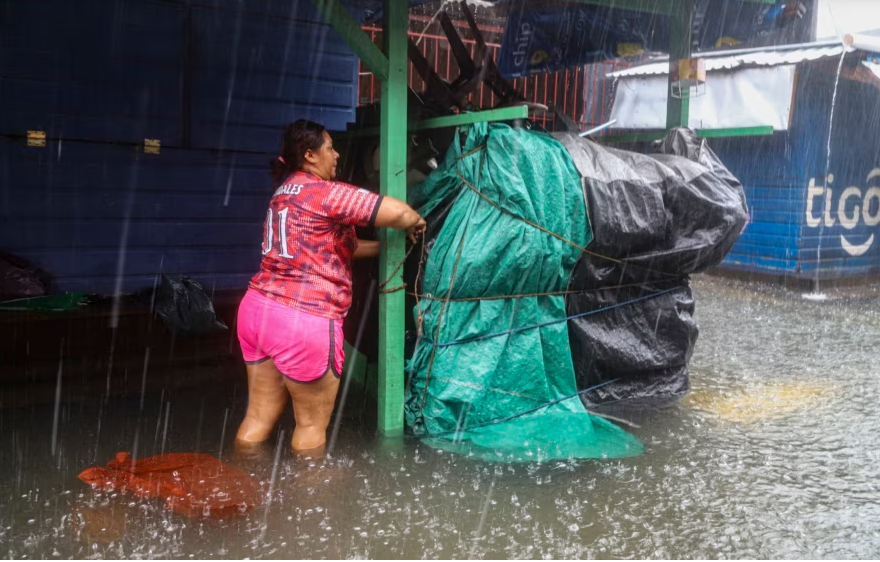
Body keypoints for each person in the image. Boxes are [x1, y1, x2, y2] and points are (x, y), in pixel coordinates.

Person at [235, 119, 426, 454]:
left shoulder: (285, 193)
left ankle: (239, 485)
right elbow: (398, 213)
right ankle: (312, 500)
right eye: (330, 148)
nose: (336, 155)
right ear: (309, 155)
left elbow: (344, 248)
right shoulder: (324, 193)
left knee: (258, 417)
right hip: (302, 318)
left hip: (258, 311)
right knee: (310, 427)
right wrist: (416, 222)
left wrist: (387, 248)